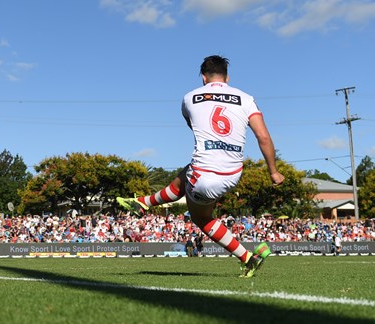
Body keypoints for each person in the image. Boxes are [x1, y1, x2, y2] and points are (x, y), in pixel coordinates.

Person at [117, 55, 284, 277]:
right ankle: (143, 203)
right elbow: (263, 137)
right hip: (233, 172)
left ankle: (247, 258)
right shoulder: (246, 99)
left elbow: (194, 124)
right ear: (227, 77)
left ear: (204, 78)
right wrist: (273, 172)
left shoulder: (189, 98)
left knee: (201, 218)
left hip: (204, 175)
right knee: (187, 172)